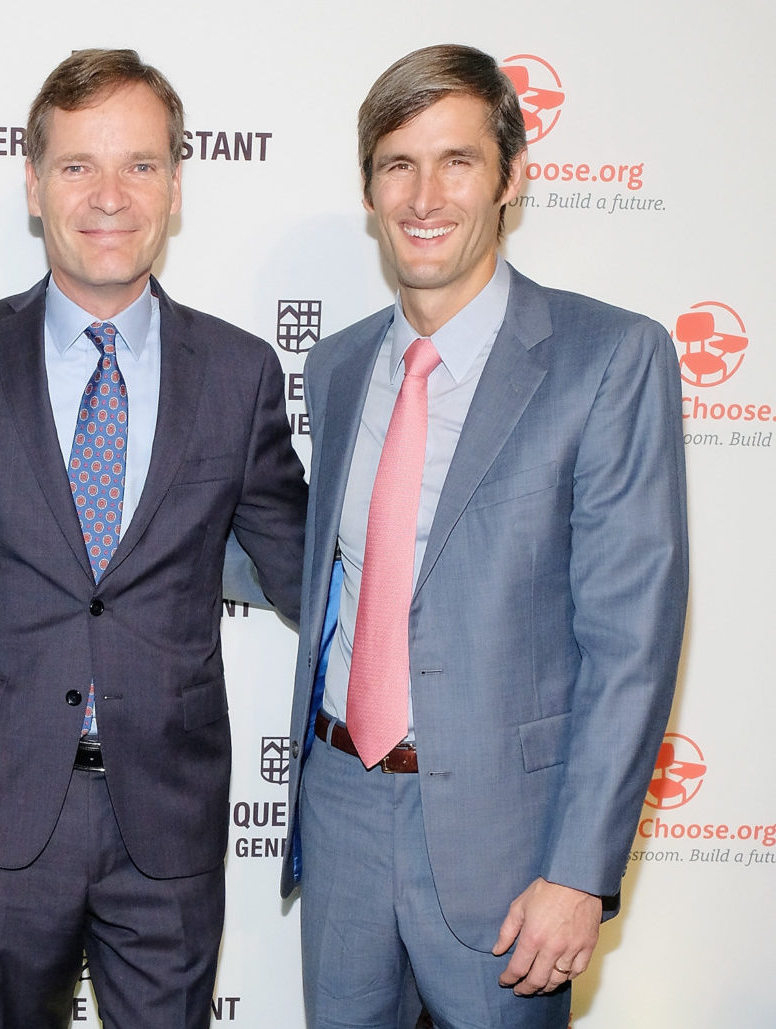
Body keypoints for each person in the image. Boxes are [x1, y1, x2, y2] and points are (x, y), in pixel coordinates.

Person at [280, 44, 687, 1028]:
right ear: (370, 190)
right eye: (397, 164)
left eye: (455, 161)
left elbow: (629, 641)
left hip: (506, 844)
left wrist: (577, 871)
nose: (424, 194)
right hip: (340, 807)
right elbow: (319, 561)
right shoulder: (336, 368)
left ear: (508, 178)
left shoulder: (607, 357)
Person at [0, 49, 309, 1029]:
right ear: (34, 186)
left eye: (138, 164)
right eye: (78, 165)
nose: (109, 195)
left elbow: (307, 568)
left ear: (175, 186)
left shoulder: (238, 370)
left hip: (165, 821)